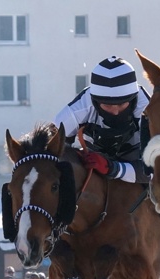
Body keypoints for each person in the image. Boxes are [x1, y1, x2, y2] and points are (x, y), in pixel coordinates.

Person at [54, 56, 150, 184]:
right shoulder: (78, 109)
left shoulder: (147, 109)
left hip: (138, 162)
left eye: (121, 105)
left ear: (133, 100)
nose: (115, 112)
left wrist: (113, 168)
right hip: (92, 158)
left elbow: (158, 169)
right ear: (95, 102)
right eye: (108, 105)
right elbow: (50, 150)